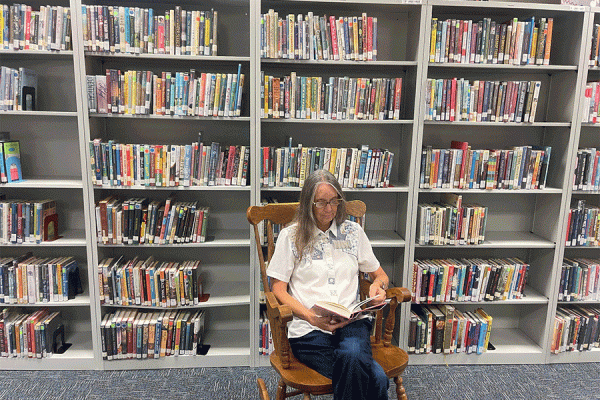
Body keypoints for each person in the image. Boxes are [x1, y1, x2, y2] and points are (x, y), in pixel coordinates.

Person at [267, 169, 390, 400]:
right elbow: (277, 289)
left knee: (353, 355)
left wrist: (378, 287)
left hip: (351, 322)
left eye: (334, 201)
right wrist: (310, 316)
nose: (330, 208)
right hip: (309, 329)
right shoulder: (291, 237)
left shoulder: (353, 232)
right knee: (377, 379)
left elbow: (380, 275)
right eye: (322, 202)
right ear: (308, 203)